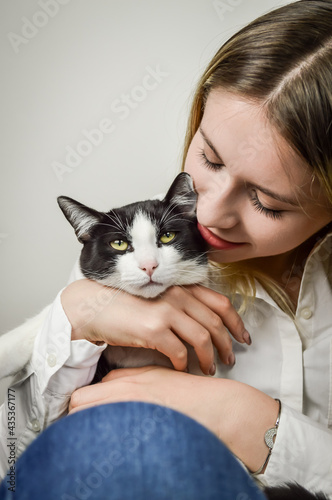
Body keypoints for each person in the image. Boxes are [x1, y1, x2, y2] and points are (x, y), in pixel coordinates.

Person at [0, 0, 331, 497]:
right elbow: (16, 458)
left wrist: (256, 423)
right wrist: (74, 320)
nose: (212, 213)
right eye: (210, 158)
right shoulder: (127, 258)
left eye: (267, 203)